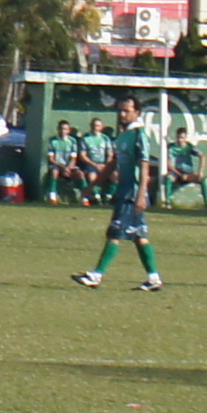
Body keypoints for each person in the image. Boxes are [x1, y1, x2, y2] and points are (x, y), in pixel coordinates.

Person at [70, 92, 164, 292]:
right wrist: (92, 186)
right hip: (124, 190)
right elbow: (113, 163)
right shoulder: (122, 135)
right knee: (139, 236)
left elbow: (145, 165)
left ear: (137, 113)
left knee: (115, 233)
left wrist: (141, 194)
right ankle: (154, 278)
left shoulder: (139, 135)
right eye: (120, 110)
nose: (122, 114)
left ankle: (96, 275)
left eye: (127, 111)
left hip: (132, 193)